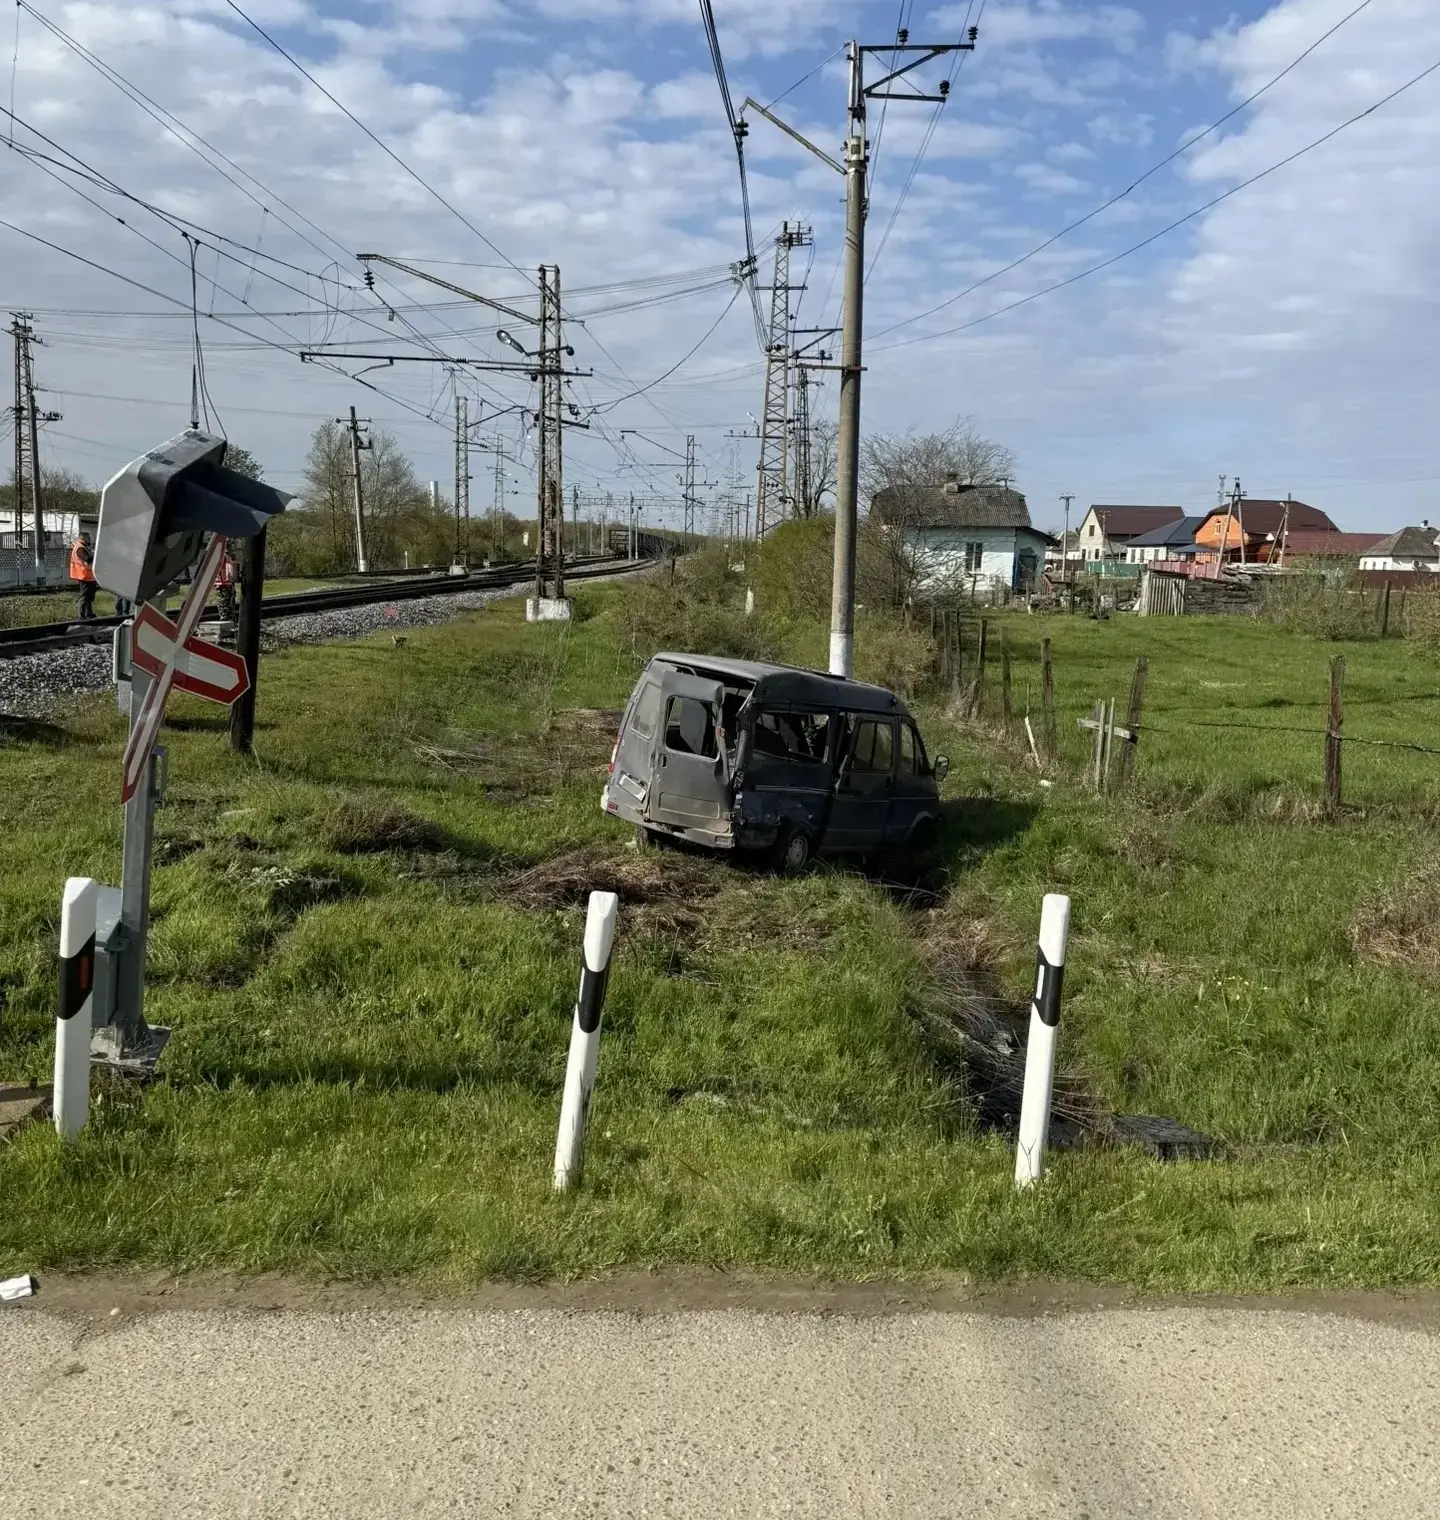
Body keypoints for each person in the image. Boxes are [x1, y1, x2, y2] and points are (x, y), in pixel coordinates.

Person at [69, 531, 98, 620]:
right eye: (88, 538)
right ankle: (81, 615)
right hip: (84, 575)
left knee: (89, 597)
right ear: (83, 538)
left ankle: (89, 613)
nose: (90, 539)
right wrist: (95, 553)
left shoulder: (83, 547)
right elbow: (87, 559)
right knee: (85, 596)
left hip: (88, 576)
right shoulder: (80, 548)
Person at [214, 547, 238, 622]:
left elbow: (218, 569)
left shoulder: (221, 556)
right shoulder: (227, 557)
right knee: (229, 606)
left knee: (223, 606)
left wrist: (218, 581)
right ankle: (230, 622)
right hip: (227, 584)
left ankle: (226, 622)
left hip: (223, 584)